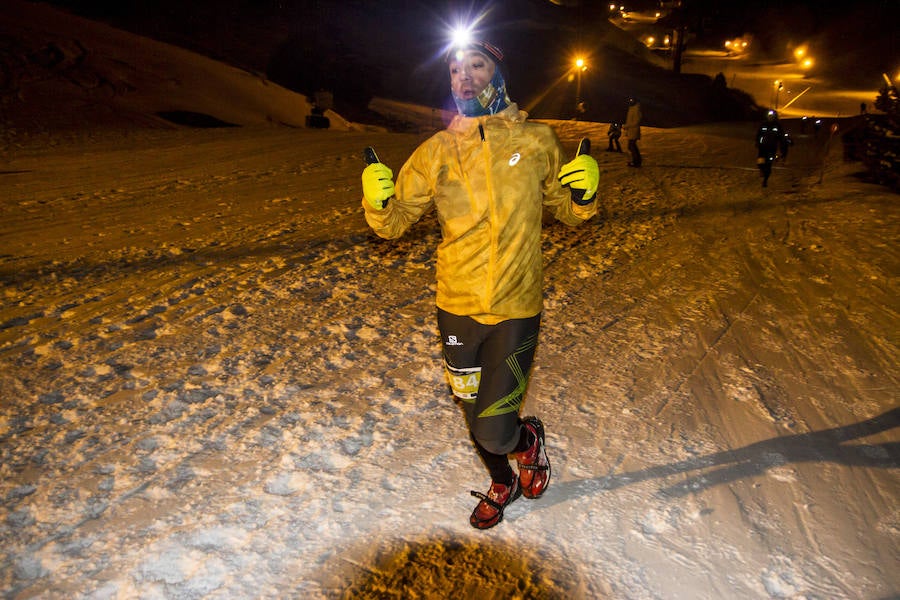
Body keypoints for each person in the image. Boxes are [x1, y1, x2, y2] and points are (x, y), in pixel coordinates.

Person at [361, 39, 599, 530]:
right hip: (456, 305)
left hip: (515, 307)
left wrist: (585, 194)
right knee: (474, 415)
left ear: (499, 73)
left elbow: (569, 211)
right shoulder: (436, 151)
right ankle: (502, 480)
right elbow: (394, 222)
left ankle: (526, 443)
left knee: (495, 429)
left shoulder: (537, 141)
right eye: (454, 69)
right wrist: (379, 202)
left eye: (476, 65)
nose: (463, 77)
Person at [755, 109, 790, 187]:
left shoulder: (777, 126)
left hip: (772, 148)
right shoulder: (763, 125)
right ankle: (761, 170)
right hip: (762, 147)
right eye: (769, 116)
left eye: (772, 116)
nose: (770, 118)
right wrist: (757, 142)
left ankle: (765, 181)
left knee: (769, 165)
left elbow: (781, 138)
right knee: (760, 162)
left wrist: (782, 149)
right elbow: (758, 134)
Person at [623, 96, 642, 167]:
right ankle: (636, 161)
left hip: (634, 130)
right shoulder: (631, 108)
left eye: (632, 100)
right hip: (631, 130)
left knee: (631, 146)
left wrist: (627, 126)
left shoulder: (636, 109)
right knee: (631, 146)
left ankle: (637, 161)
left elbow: (636, 121)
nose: (630, 102)